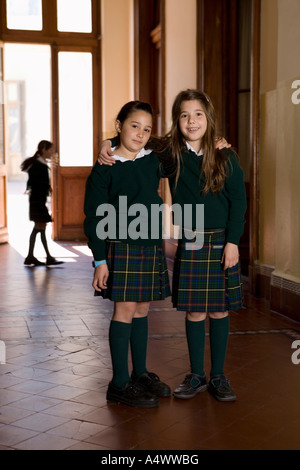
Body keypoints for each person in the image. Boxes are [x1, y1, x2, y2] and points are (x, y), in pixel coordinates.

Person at [98, 89, 247, 403]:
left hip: (222, 239)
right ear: (177, 121)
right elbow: (132, 138)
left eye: (198, 114)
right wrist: (106, 144)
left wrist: (233, 241)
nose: (191, 121)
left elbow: (238, 201)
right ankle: (196, 375)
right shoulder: (170, 153)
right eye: (184, 115)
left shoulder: (225, 155)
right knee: (194, 312)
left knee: (219, 311)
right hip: (190, 237)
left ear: (209, 118)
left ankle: (218, 376)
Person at [84, 100, 171, 408]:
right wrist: (100, 260)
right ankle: (119, 383)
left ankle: (141, 373)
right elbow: (93, 218)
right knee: (124, 311)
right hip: (120, 247)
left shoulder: (153, 160)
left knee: (142, 309)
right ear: (119, 125)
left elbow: (176, 144)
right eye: (134, 126)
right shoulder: (104, 168)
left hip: (149, 246)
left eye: (147, 129)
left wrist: (217, 141)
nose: (140, 134)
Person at [21, 140, 63, 266]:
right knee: (39, 227)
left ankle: (34, 256)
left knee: (40, 227)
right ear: (44, 149)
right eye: (50, 150)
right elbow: (36, 182)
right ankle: (36, 256)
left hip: (38, 199)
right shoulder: (37, 164)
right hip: (37, 200)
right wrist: (46, 187)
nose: (52, 152)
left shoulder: (39, 163)